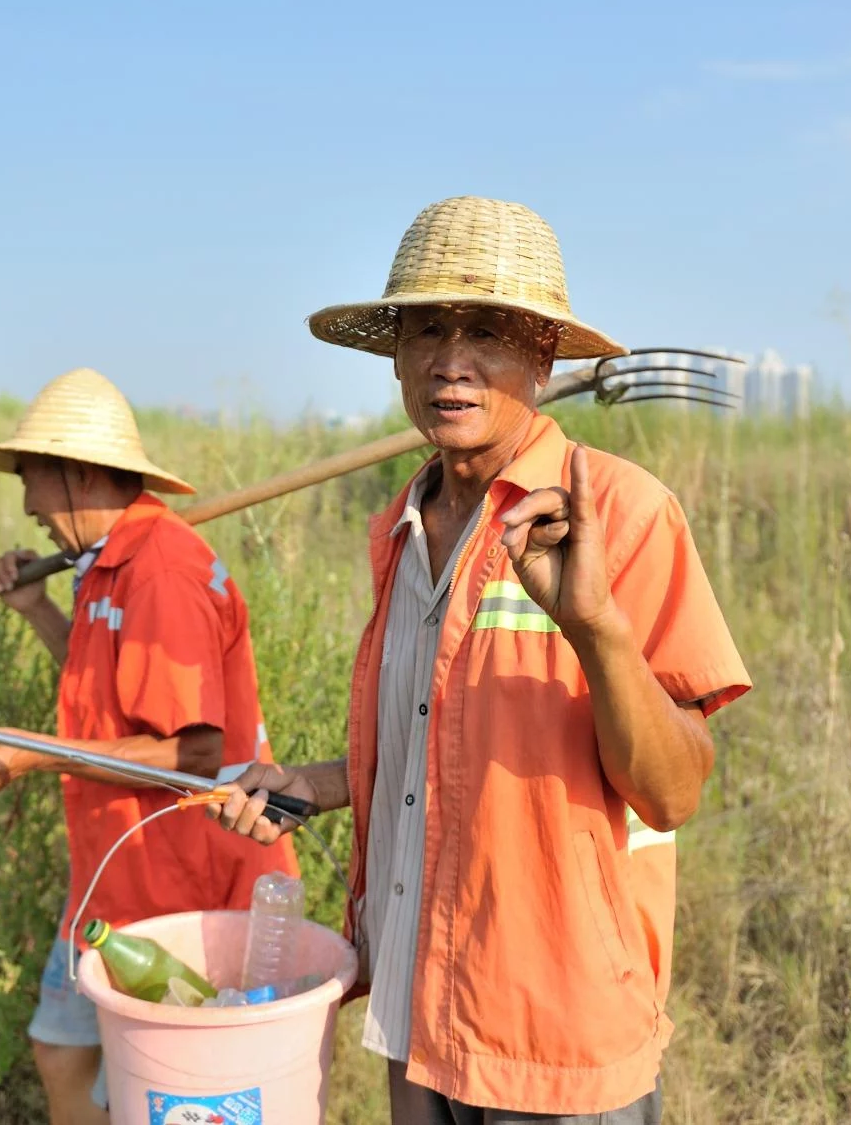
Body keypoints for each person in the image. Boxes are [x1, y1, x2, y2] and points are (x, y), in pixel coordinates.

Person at [208, 197, 751, 1123]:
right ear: (395, 357)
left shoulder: (621, 514)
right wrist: (322, 781)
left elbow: (675, 791)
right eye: (427, 329)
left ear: (543, 357)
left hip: (553, 1027)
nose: (450, 360)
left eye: (488, 331)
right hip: (416, 1000)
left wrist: (598, 629)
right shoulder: (402, 523)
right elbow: (445, 743)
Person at [0, 366, 300, 1125]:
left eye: (29, 476)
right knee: (63, 1050)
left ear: (77, 472)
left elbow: (194, 754)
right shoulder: (104, 567)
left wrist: (34, 753)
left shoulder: (160, 570)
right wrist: (34, 608)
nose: (27, 503)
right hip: (114, 868)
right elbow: (110, 697)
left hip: (184, 877)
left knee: (181, 1091)